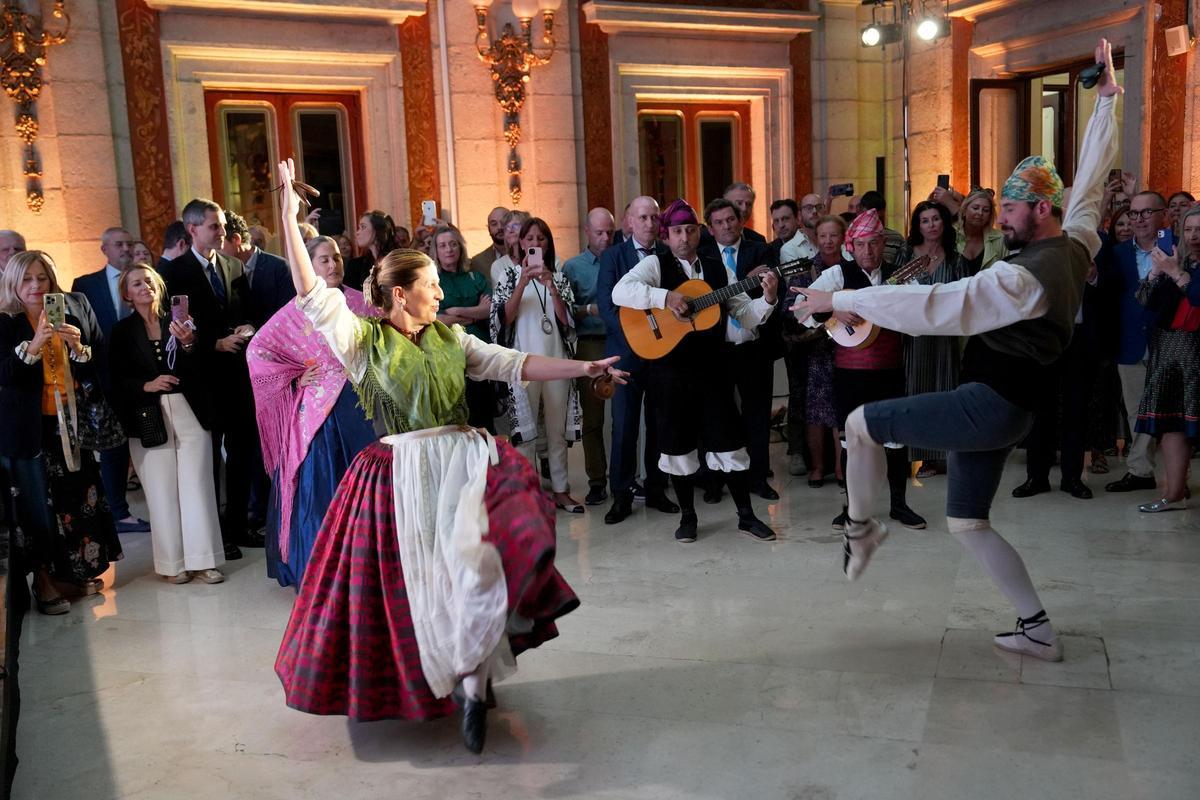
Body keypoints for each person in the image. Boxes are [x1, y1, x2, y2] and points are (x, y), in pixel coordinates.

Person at [789, 38, 1122, 662]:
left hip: (987, 406)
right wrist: (1106, 101)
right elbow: (1092, 185)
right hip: (1009, 409)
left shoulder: (1022, 277)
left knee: (859, 423)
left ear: (1040, 209)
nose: (1002, 219)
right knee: (967, 522)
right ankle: (1037, 629)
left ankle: (861, 529)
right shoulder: (1076, 242)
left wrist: (843, 299)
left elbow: (939, 307)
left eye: (1012, 210)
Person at [271, 158, 608, 753]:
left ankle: (474, 685)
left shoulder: (453, 338)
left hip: (464, 463)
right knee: (421, 586)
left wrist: (583, 368)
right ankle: (436, 677)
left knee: (476, 568)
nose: (440, 291)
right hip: (398, 474)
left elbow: (514, 363)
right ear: (400, 294)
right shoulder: (362, 340)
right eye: (430, 284)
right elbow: (311, 293)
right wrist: (288, 217)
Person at [612, 199, 778, 543]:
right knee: (677, 448)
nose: (684, 237)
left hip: (714, 373)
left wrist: (769, 299)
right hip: (670, 375)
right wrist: (666, 298)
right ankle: (688, 517)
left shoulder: (717, 269)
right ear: (666, 236)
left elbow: (745, 314)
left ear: (699, 232)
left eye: (690, 230)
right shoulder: (655, 265)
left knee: (730, 443)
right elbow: (620, 291)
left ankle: (746, 516)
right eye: (676, 231)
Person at [248, 235, 377, 589]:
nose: (333, 264)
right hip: (319, 414)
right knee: (321, 490)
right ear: (308, 266)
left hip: (363, 405)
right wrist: (294, 376)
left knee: (369, 488)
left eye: (336, 257)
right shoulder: (297, 309)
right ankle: (323, 573)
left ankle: (369, 569)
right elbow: (258, 349)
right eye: (324, 260)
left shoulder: (361, 301)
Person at [0, 251, 123, 615]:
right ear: (12, 283)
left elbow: (94, 368)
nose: (36, 286)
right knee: (37, 507)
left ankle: (71, 573)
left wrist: (78, 349)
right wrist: (35, 344)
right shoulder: (6, 323)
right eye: (27, 279)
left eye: (42, 278)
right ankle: (42, 581)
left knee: (74, 502)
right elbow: (5, 376)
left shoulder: (67, 314)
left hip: (70, 423)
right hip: (28, 431)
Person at [798, 210, 927, 531]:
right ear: (850, 247)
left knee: (895, 439)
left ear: (883, 243)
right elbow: (802, 309)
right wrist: (836, 309)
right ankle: (853, 509)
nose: (867, 251)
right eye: (860, 245)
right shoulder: (837, 275)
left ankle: (899, 505)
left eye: (873, 243)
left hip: (889, 369)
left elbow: (918, 318)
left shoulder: (899, 275)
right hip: (849, 373)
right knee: (850, 442)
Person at [109, 264, 224, 584]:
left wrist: (188, 343)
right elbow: (115, 380)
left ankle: (204, 561)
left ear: (158, 286)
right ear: (127, 294)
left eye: (149, 281)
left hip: (190, 410)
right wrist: (146, 385)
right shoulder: (121, 332)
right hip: (147, 416)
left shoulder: (179, 321)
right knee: (161, 493)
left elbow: (202, 367)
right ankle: (173, 564)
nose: (144, 286)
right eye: (136, 283)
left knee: (197, 487)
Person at [160, 198, 260, 560]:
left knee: (242, 453)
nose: (222, 232)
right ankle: (215, 534)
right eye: (214, 226)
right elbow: (173, 329)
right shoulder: (174, 273)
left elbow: (248, 310)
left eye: (222, 226)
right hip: (203, 378)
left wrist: (247, 327)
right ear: (192, 230)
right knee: (209, 459)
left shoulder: (233, 265)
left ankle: (238, 525)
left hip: (238, 375)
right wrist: (213, 343)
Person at [490, 218, 584, 512]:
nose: (535, 243)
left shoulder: (559, 277)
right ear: (520, 243)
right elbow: (503, 320)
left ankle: (561, 490)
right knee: (526, 434)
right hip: (523, 364)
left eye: (541, 238)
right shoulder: (508, 277)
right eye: (529, 238)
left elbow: (567, 322)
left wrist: (551, 287)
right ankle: (528, 495)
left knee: (557, 431)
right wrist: (523, 283)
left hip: (556, 361)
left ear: (548, 243)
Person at [596, 196, 678, 523]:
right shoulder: (613, 256)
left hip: (661, 354)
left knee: (659, 423)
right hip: (625, 354)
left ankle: (656, 489)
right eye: (642, 217)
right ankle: (621, 494)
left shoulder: (667, 256)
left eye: (654, 217)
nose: (649, 223)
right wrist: (636, 336)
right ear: (629, 221)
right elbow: (607, 306)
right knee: (624, 426)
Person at [71, 227, 153, 534]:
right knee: (113, 447)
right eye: (119, 244)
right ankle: (118, 511)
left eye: (129, 244)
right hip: (104, 378)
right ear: (104, 249)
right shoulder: (85, 284)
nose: (125, 249)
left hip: (142, 377)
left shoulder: (145, 280)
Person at [701, 197, 779, 500]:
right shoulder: (704, 256)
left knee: (757, 415)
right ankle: (715, 481)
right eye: (719, 222)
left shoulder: (760, 250)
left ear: (740, 220)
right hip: (717, 350)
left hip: (754, 347)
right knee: (717, 415)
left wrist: (760, 285)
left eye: (730, 219)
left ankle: (758, 478)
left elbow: (773, 290)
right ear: (710, 228)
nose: (726, 226)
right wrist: (746, 281)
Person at [1106, 191, 1176, 493]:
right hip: (1131, 342)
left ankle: (1176, 477)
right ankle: (1140, 472)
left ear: (1164, 215)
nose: (1139, 219)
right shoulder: (1118, 253)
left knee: (1172, 414)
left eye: (1146, 212)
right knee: (1136, 411)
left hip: (1171, 343)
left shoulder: (1178, 249)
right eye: (1134, 214)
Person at [1133, 205, 1200, 512]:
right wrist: (1157, 272)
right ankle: (1173, 493)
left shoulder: (1180, 267)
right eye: (1188, 229)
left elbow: (1197, 297)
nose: (1193, 236)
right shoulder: (1176, 259)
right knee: (1172, 425)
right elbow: (1143, 301)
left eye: (1199, 230)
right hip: (1168, 351)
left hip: (1196, 349)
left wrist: (1176, 273)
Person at [898, 201, 967, 478]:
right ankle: (912, 455)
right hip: (912, 337)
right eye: (925, 220)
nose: (931, 225)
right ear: (918, 226)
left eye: (936, 219)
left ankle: (937, 456)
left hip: (943, 338)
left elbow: (964, 295)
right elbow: (893, 289)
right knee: (913, 392)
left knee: (942, 392)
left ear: (944, 222)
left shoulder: (954, 258)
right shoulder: (907, 254)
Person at [782, 215, 843, 486]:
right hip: (816, 349)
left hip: (847, 346)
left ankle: (841, 467)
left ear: (843, 238)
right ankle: (817, 467)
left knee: (842, 410)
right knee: (816, 411)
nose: (828, 241)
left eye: (834, 235)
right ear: (816, 239)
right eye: (823, 236)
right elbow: (789, 309)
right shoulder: (805, 270)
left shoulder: (850, 268)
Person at [562, 208, 616, 505]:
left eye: (609, 232)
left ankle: (626, 478)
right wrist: (589, 309)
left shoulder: (621, 259)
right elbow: (565, 311)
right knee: (593, 418)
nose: (605, 238)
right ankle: (597, 480)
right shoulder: (573, 267)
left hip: (622, 342)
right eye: (599, 233)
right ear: (587, 232)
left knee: (624, 415)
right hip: (590, 343)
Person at [432, 225, 496, 431]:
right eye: (443, 245)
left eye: (453, 244)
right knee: (459, 423)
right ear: (436, 251)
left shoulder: (475, 277)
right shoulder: (432, 282)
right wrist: (474, 312)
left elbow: (489, 309)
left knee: (484, 422)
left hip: (480, 354)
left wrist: (458, 311)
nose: (449, 249)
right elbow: (435, 319)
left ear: (460, 247)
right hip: (449, 358)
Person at [221, 210, 295, 327]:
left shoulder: (280, 268)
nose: (214, 251)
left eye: (220, 243)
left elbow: (289, 316)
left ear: (236, 239)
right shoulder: (222, 272)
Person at [956, 188, 1008, 274]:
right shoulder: (951, 234)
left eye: (985, 210)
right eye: (975, 208)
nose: (980, 213)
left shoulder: (1000, 239)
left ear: (990, 216)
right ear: (964, 210)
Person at [343, 210, 396, 290]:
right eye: (359, 228)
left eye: (363, 227)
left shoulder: (398, 260)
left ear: (378, 230)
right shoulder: (355, 265)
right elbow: (350, 294)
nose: (357, 232)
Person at [488, 210, 530, 289]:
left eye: (515, 226)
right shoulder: (498, 265)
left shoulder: (544, 260)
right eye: (506, 227)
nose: (510, 230)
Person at [469, 206, 509, 277]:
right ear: (488, 229)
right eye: (494, 224)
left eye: (503, 222)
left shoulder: (526, 254)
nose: (499, 227)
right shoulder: (478, 262)